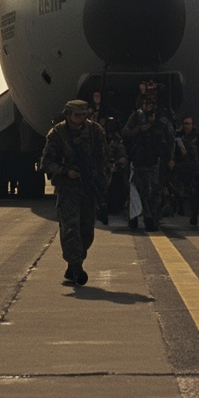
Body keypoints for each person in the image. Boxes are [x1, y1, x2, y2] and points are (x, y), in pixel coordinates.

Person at [40, 99, 108, 286]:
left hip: (88, 187)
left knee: (87, 231)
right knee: (71, 228)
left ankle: (74, 262)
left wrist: (102, 185)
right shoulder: (57, 134)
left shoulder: (95, 131)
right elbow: (45, 162)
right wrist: (65, 171)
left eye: (84, 114)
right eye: (78, 115)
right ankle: (76, 266)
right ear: (68, 115)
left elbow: (103, 159)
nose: (81, 118)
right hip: (68, 188)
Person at [122, 86, 175, 231]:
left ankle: (153, 217)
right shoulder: (135, 118)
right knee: (141, 190)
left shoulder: (162, 121)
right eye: (145, 104)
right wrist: (139, 129)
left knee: (156, 192)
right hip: (139, 160)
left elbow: (170, 140)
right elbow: (125, 133)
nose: (147, 107)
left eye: (150, 104)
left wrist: (170, 158)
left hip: (155, 160)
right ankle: (145, 218)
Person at [174, 115, 199, 230]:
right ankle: (194, 215)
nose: (186, 126)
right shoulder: (179, 138)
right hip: (188, 171)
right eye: (184, 124)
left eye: (188, 124)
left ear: (193, 125)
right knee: (192, 196)